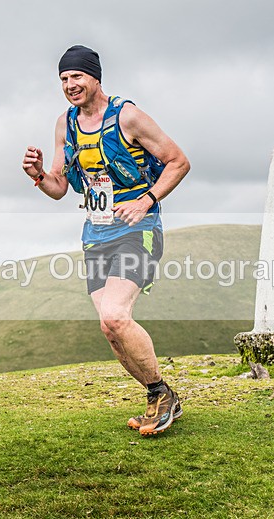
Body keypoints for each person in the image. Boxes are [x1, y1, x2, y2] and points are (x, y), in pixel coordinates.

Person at [22, 45, 190, 436]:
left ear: (95, 77)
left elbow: (179, 161)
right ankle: (159, 394)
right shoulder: (65, 123)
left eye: (76, 77)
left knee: (116, 314)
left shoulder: (128, 116)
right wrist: (36, 175)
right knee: (109, 326)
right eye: (63, 79)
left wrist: (147, 199)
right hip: (95, 233)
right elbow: (60, 187)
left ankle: (162, 397)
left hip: (138, 229)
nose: (69, 85)